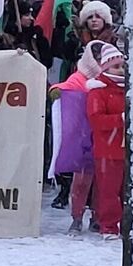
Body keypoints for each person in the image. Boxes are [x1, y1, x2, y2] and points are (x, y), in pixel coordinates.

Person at [49, 41, 103, 220]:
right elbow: (63, 87)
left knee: (103, 182)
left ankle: (97, 217)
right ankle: (77, 217)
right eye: (96, 56)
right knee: (82, 179)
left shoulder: (112, 77)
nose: (99, 60)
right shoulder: (79, 77)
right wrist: (56, 92)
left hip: (104, 136)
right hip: (84, 138)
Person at [86, 46, 127, 240]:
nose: (121, 70)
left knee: (126, 190)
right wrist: (121, 119)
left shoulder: (129, 89)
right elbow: (96, 120)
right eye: (116, 66)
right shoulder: (98, 91)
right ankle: (108, 226)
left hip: (126, 148)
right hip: (108, 149)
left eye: (122, 66)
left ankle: (126, 225)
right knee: (109, 191)